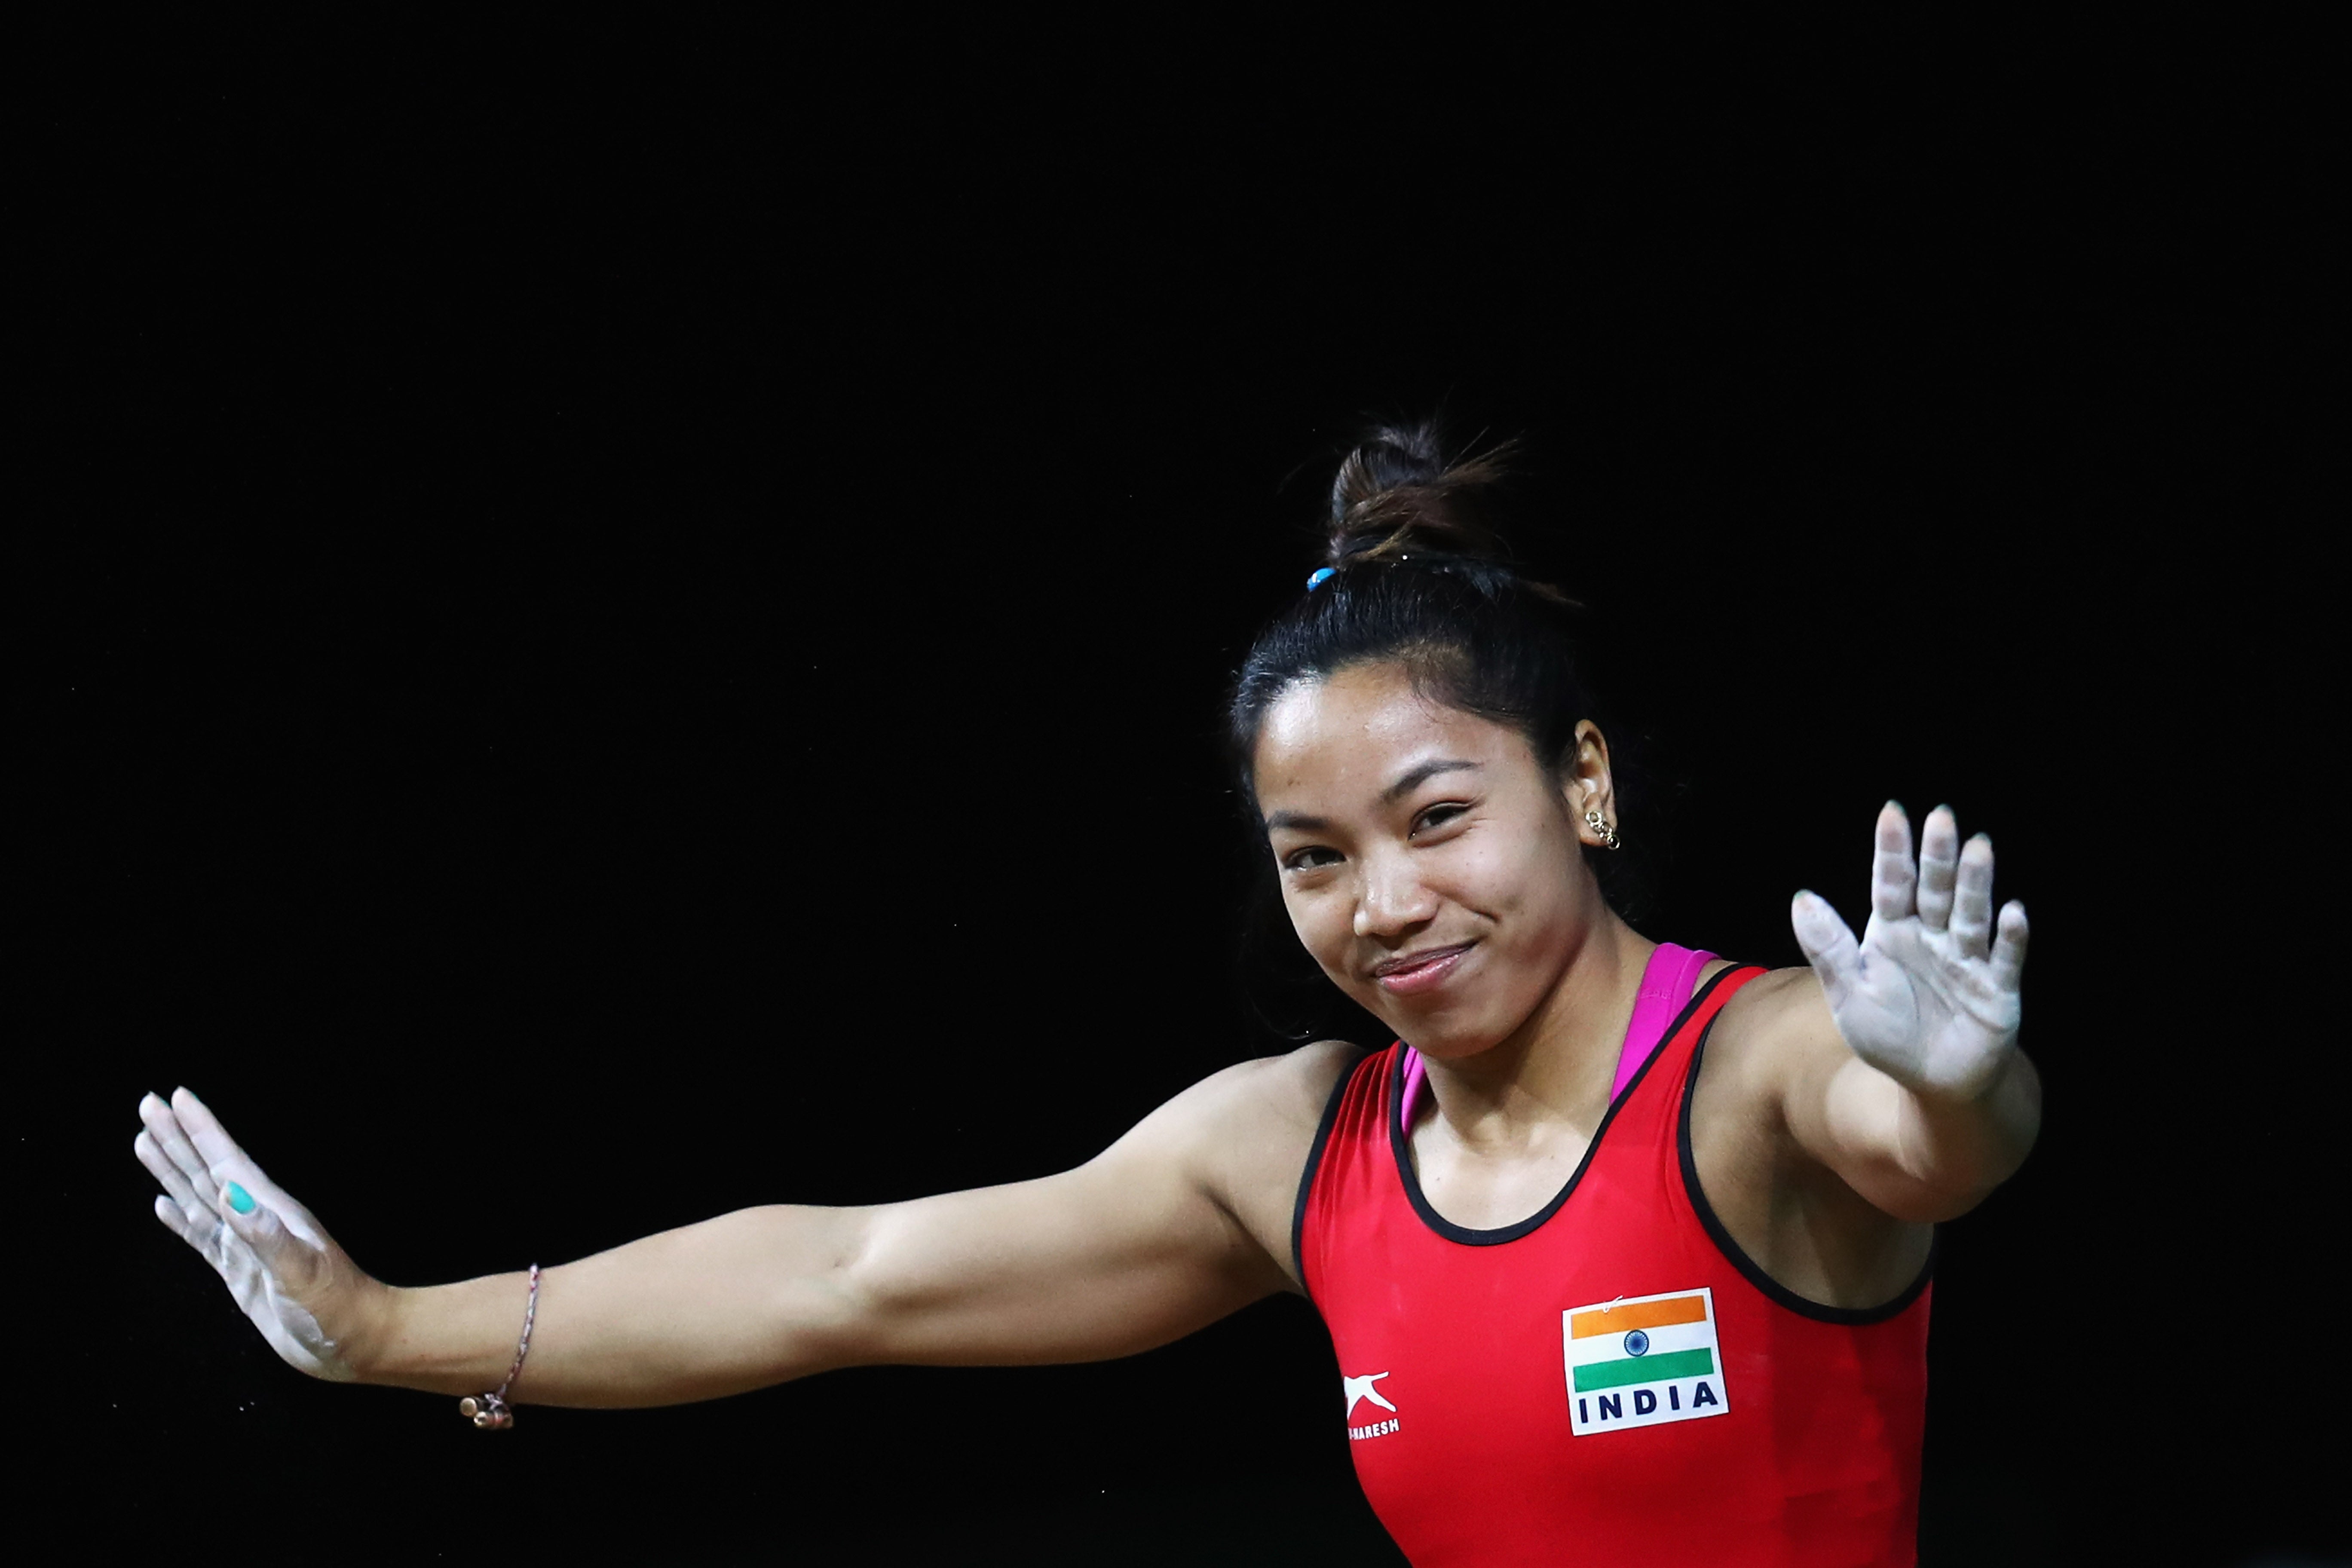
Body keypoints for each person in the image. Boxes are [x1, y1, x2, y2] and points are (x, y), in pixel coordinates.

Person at [134, 423, 2039, 1565]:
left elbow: (1925, 1148)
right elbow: (845, 1280)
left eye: (1438, 815)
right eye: (1315, 856)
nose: (1386, 904)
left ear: (1588, 786)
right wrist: (386, 1330)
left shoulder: (1766, 1063)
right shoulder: (1296, 1151)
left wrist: (1965, 1084)